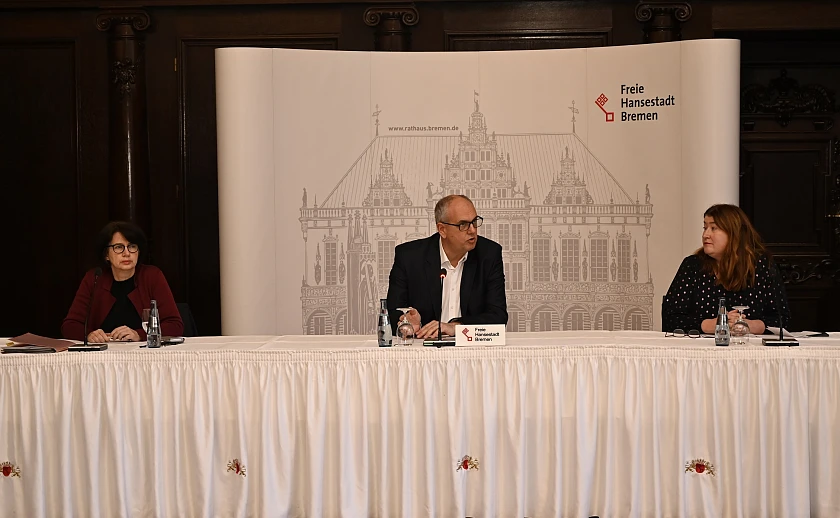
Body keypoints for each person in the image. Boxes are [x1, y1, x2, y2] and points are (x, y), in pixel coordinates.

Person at [387, 194, 507, 339]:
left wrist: (455, 327)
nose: (472, 230)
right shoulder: (409, 257)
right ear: (442, 229)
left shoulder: (488, 254)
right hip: (424, 350)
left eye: (474, 222)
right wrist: (407, 323)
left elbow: (498, 317)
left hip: (472, 349)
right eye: (463, 224)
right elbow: (393, 313)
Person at [662, 204, 790, 334]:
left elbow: (783, 320)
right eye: (705, 228)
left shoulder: (762, 265)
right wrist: (710, 325)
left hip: (751, 348)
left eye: (714, 228)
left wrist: (749, 325)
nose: (706, 234)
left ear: (733, 233)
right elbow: (670, 318)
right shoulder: (692, 265)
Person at [62, 221, 183, 342]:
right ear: (106, 255)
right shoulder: (94, 278)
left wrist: (139, 334)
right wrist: (89, 335)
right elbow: (70, 326)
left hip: (145, 354)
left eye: (132, 246)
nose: (126, 253)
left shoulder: (152, 276)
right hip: (103, 356)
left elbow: (175, 325)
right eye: (119, 247)